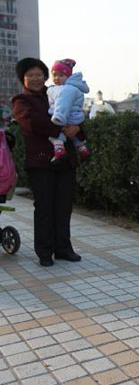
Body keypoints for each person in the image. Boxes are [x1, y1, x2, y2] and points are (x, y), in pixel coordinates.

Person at [12, 57, 82, 267]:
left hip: (65, 160)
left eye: (39, 75)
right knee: (44, 208)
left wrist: (78, 129)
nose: (35, 79)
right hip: (41, 162)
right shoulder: (20, 101)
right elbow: (33, 123)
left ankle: (63, 248)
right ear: (23, 79)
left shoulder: (58, 92)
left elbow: (75, 114)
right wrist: (63, 129)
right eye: (30, 75)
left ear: (45, 76)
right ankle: (44, 252)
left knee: (63, 206)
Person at [48, 58, 90, 163]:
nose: (57, 78)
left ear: (68, 77)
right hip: (74, 117)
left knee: (56, 134)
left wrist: (59, 117)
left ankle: (59, 150)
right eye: (54, 75)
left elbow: (63, 104)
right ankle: (83, 150)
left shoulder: (66, 89)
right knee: (73, 135)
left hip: (65, 116)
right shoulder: (72, 88)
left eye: (61, 75)